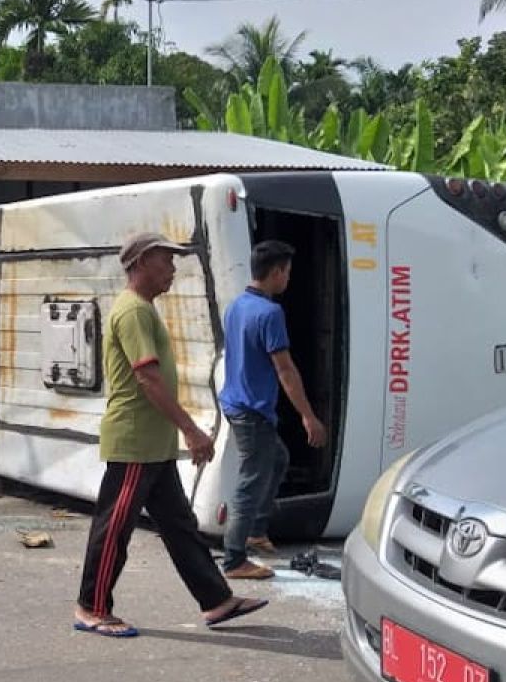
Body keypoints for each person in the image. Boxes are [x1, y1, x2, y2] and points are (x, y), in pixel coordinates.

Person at [74, 232, 269, 638]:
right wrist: (192, 431)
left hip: (153, 444)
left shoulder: (144, 309)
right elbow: (148, 379)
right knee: (114, 528)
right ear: (142, 263)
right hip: (135, 441)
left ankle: (216, 601)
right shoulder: (133, 312)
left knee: (180, 526)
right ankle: (92, 608)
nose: (173, 270)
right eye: (166, 261)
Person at [219, 240, 328, 580]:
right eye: (288, 273)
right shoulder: (270, 313)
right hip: (252, 410)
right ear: (277, 272)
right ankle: (235, 558)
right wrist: (308, 416)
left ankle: (255, 529)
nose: (289, 279)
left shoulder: (237, 306)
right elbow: (285, 370)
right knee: (251, 479)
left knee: (277, 459)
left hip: (237, 403)